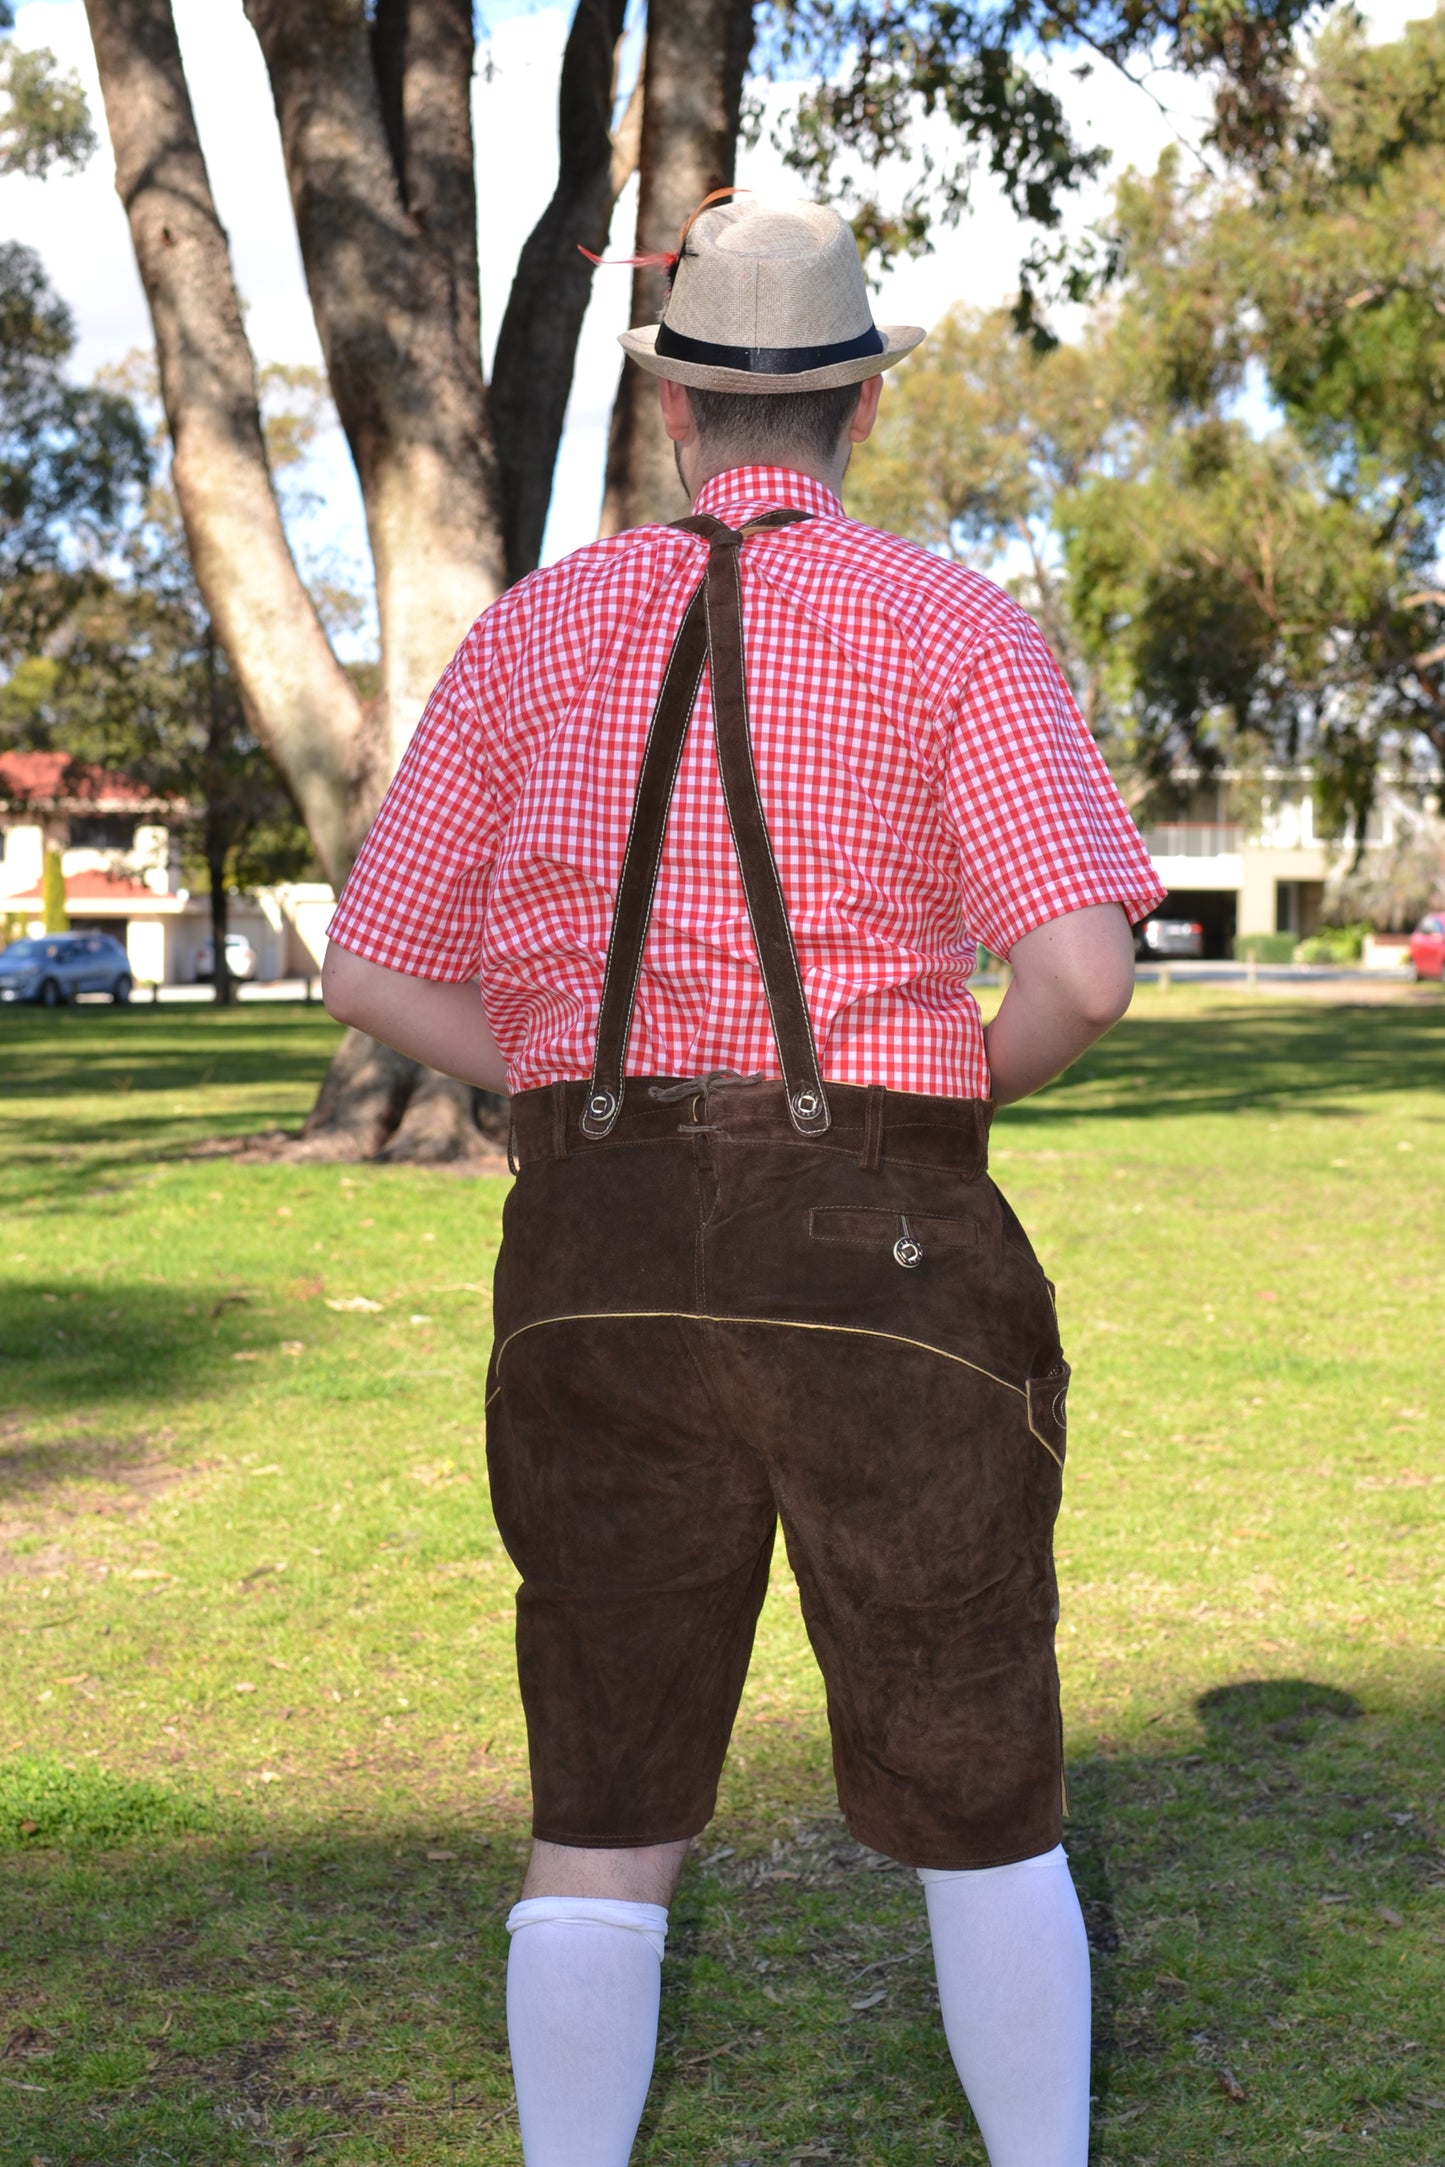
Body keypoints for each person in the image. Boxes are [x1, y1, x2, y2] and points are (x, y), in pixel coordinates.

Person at [322, 195, 1166, 2167]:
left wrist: (552, 1088)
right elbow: (1082, 974)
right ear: (861, 398)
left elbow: (367, 959)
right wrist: (939, 1099)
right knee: (978, 1777)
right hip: (881, 1230)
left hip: (591, 1234)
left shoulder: (535, 627)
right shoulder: (955, 622)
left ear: (682, 399)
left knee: (604, 1789)